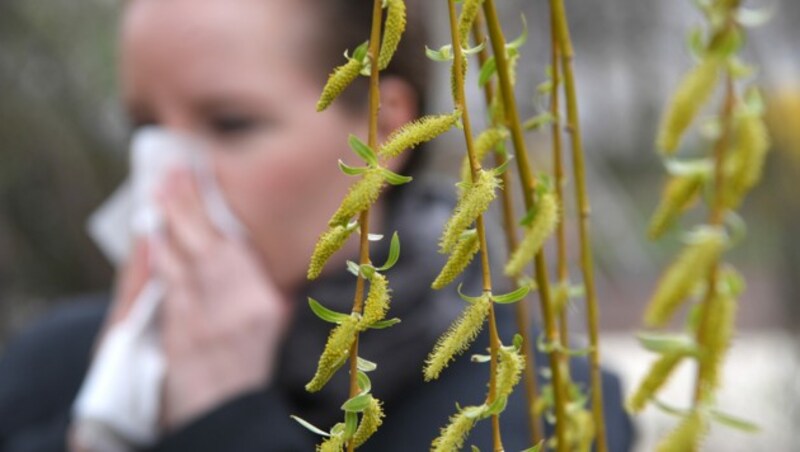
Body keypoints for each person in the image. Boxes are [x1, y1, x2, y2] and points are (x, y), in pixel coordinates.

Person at [0, 0, 634, 451]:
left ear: (387, 128)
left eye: (230, 124)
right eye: (146, 131)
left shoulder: (529, 401)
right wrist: (103, 422)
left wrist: (225, 416)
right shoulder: (56, 365)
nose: (166, 179)